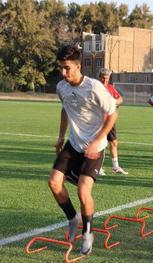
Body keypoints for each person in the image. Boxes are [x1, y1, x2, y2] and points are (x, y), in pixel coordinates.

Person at [48, 45, 117, 255]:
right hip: (73, 143)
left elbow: (113, 115)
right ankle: (72, 218)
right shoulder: (62, 87)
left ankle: (87, 233)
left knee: (83, 190)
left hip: (95, 146)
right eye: (61, 68)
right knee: (53, 182)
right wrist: (61, 137)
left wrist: (98, 140)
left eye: (67, 68)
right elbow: (65, 109)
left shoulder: (95, 87)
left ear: (78, 66)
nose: (63, 73)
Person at [98, 68, 128, 175]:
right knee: (100, 145)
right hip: (99, 121)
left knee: (114, 142)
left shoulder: (110, 88)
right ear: (99, 77)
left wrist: (113, 103)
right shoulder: (95, 88)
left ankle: (115, 167)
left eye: (107, 78)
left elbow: (120, 99)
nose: (105, 81)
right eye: (103, 78)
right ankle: (98, 168)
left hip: (110, 120)